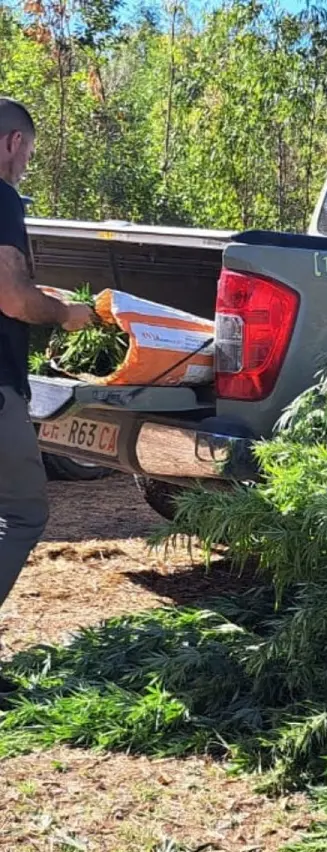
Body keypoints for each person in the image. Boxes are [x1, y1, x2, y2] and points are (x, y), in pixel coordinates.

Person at [0, 98, 94, 685]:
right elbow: (10, 296)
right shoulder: (1, 197)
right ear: (12, 143)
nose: (24, 167)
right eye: (27, 156)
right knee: (23, 510)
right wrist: (63, 313)